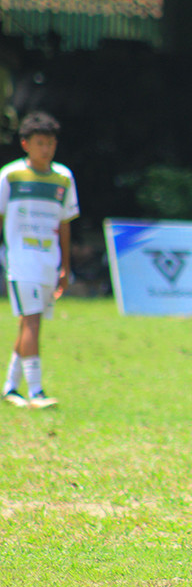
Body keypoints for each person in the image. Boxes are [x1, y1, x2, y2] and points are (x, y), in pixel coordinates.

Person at [0, 111, 79, 408]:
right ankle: (36, 393)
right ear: (25, 144)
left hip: (49, 261)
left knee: (30, 323)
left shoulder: (63, 177)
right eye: (40, 143)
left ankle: (10, 388)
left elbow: (65, 223)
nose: (46, 149)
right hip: (21, 260)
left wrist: (65, 267)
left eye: (50, 143)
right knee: (31, 321)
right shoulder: (10, 176)